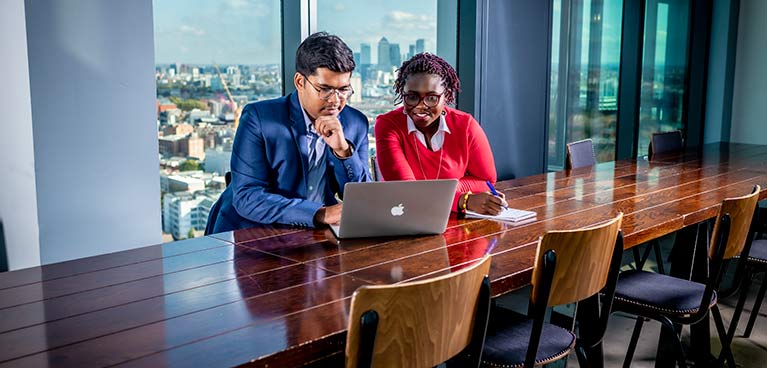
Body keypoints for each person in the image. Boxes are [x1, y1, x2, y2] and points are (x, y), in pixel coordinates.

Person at [208, 32, 371, 233]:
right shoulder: (259, 118)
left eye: (343, 90)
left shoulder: (356, 123)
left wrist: (343, 151)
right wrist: (319, 213)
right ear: (300, 82)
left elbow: (364, 199)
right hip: (254, 234)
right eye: (325, 89)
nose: (335, 100)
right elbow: (247, 197)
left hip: (317, 237)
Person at [375, 53, 505, 215]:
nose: (420, 106)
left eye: (431, 98)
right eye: (412, 97)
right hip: (405, 216)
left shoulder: (465, 125)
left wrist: (449, 189)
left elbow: (487, 181)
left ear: (447, 95)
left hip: (453, 221)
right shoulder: (388, 125)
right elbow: (405, 191)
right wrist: (461, 200)